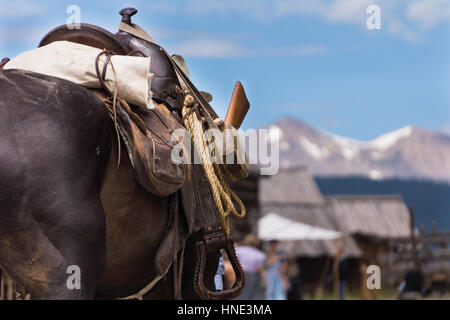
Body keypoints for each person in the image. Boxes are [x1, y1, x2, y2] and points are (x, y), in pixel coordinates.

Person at [235, 234, 266, 299]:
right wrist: (264, 279)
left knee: (239, 292)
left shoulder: (239, 250)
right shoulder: (259, 254)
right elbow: (259, 268)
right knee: (252, 293)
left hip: (239, 273)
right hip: (252, 275)